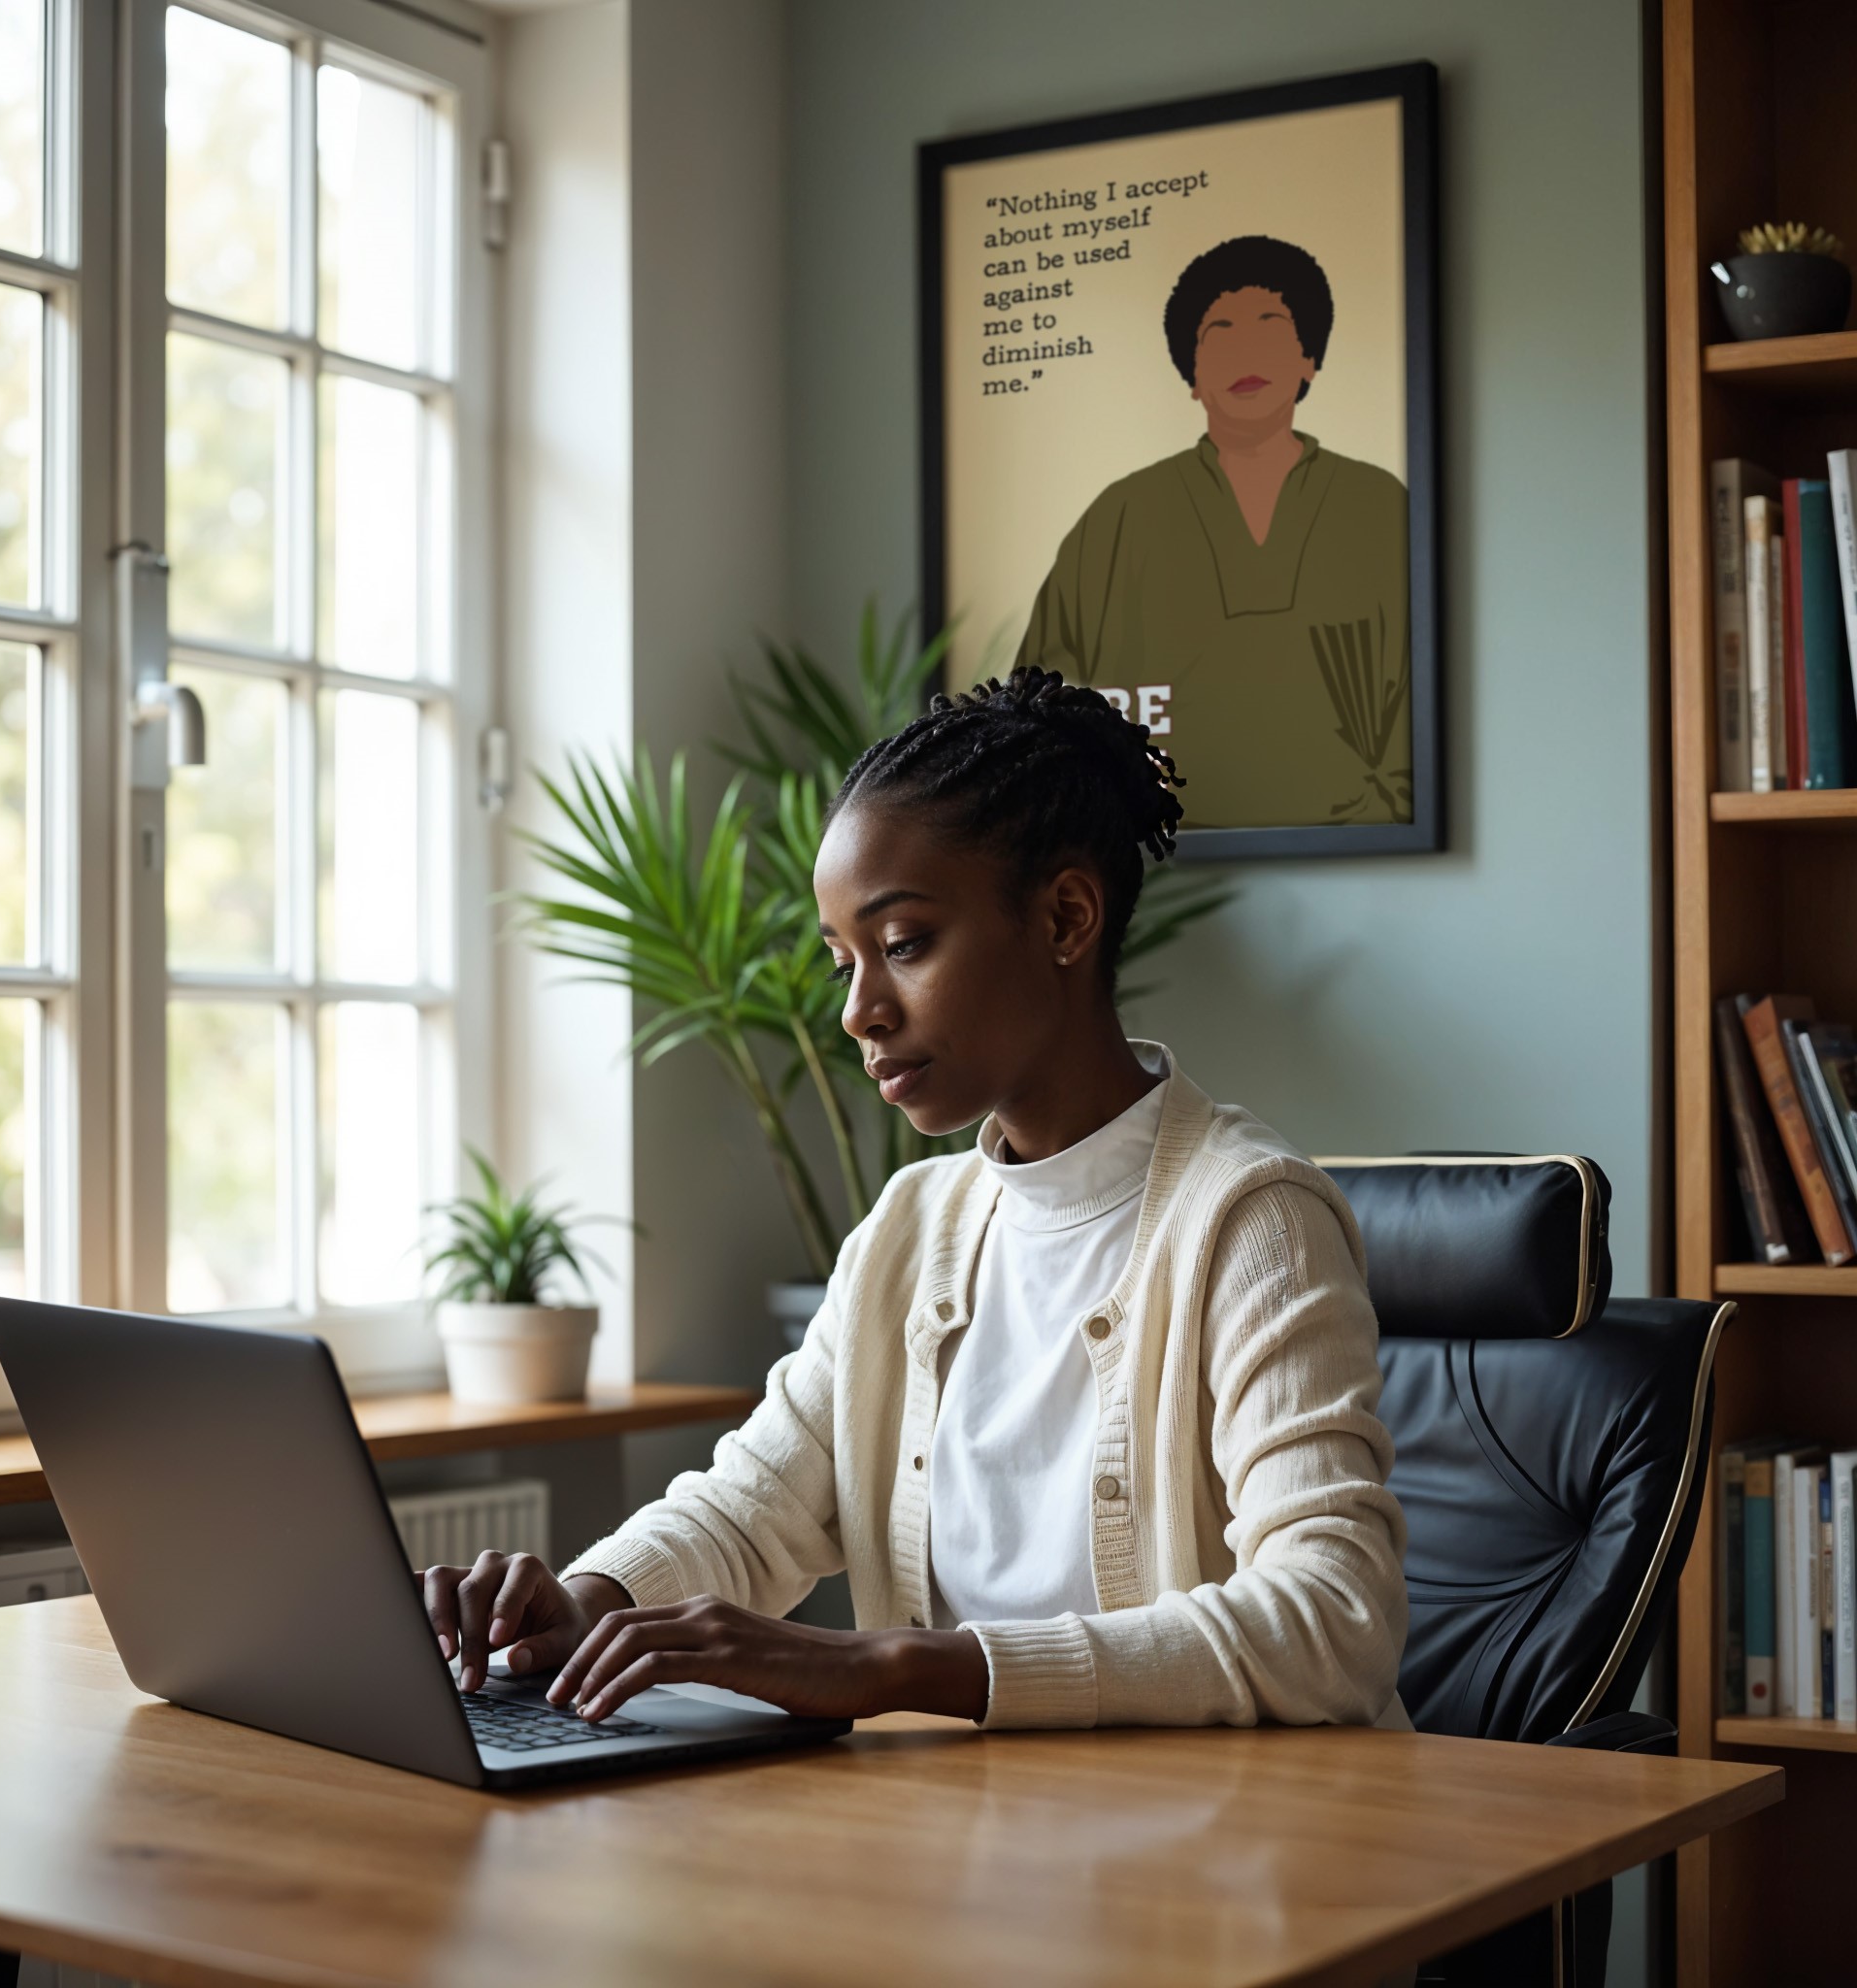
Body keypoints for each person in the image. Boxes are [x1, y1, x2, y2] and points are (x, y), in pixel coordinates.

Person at [425, 666, 1409, 1731]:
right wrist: (589, 1598)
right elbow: (754, 1505)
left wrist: (895, 1667)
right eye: (842, 961)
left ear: (1066, 917)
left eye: (901, 945)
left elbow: (1333, 1619)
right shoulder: (911, 1226)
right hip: (958, 1820)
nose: (858, 1011)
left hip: (1226, 1827)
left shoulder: (1252, 1219)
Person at [1013, 235, 1412, 829]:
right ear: (1192, 373)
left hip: (1367, 836)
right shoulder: (1120, 515)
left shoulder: (1378, 504)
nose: (1245, 354)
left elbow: (1430, 683)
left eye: (1271, 329)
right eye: (1219, 334)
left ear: (1309, 357)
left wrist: (1392, 809)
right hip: (1160, 860)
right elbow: (1036, 706)